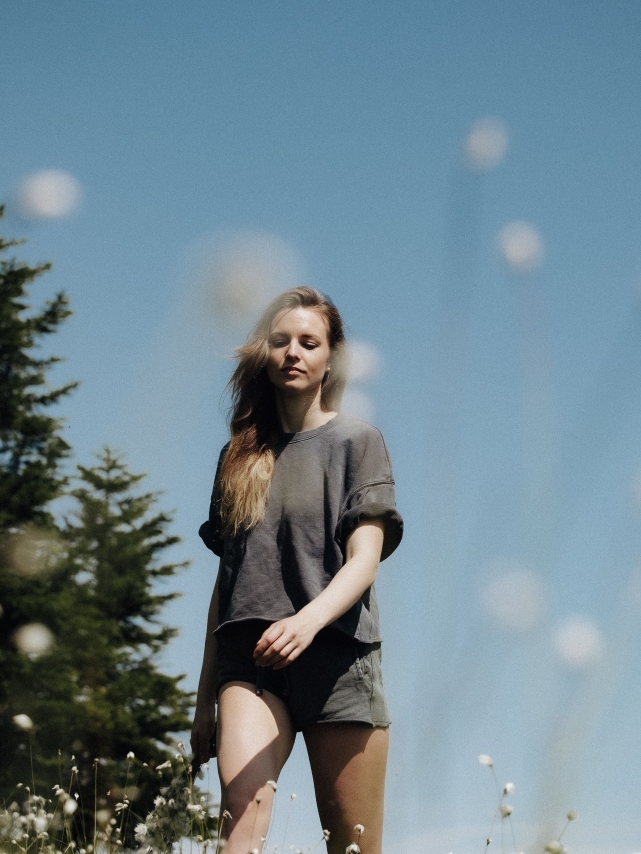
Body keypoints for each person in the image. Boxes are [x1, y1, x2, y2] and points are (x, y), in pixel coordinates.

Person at [191, 286, 402, 854]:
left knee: (353, 846)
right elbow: (225, 585)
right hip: (252, 663)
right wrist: (203, 699)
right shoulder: (238, 457)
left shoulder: (357, 442)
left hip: (337, 661)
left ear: (332, 358)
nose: (293, 353)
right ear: (263, 353)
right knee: (239, 821)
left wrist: (305, 623)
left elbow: (365, 559)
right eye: (280, 341)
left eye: (309, 343)